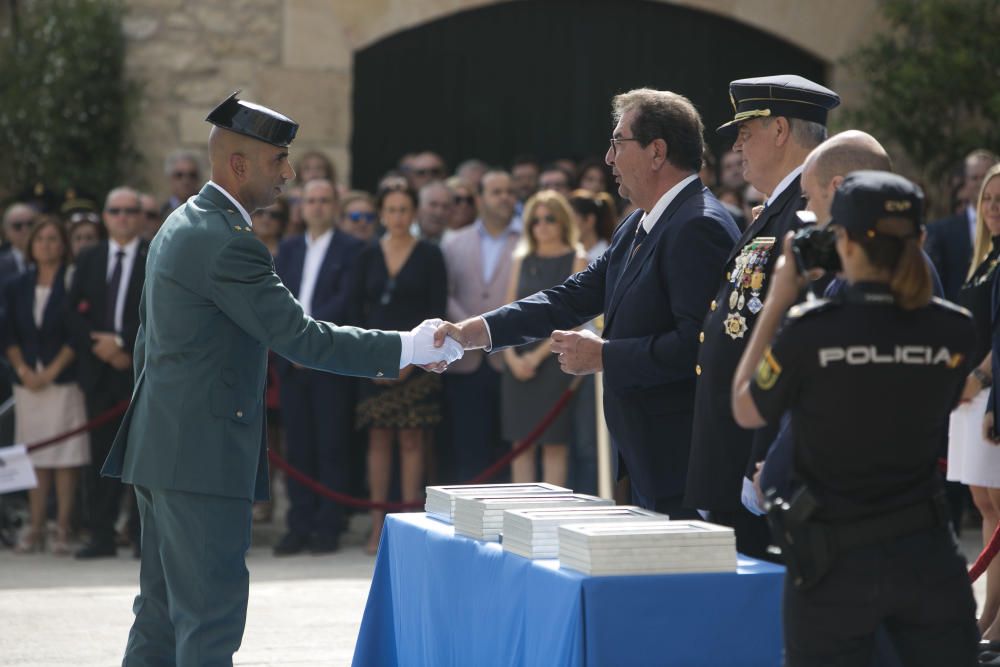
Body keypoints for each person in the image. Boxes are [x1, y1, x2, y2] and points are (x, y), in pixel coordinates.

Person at [100, 92, 461, 664]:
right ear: (239, 164)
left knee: (163, 617)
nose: (289, 173)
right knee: (209, 620)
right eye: (279, 160)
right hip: (200, 456)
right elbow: (302, 337)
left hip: (165, 447)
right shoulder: (227, 243)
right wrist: (407, 346)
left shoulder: (180, 223)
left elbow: (150, 343)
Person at [437, 88, 739, 514]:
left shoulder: (697, 226)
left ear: (657, 151)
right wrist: (475, 332)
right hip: (646, 457)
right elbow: (571, 296)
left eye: (618, 142)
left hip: (680, 461)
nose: (608, 159)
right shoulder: (639, 221)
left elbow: (696, 346)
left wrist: (605, 356)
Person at [732, 171, 979, 666]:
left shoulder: (811, 329)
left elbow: (745, 406)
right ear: (921, 239)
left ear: (841, 240)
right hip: (928, 557)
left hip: (832, 565)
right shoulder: (954, 329)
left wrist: (780, 297)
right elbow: (961, 390)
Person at [686, 74, 840, 558]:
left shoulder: (805, 217)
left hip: (758, 465)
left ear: (779, 131)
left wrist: (766, 459)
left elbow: (798, 347)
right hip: (731, 453)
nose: (736, 146)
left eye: (745, 132)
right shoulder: (775, 212)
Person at [272, 178, 363, 556]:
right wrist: (292, 342)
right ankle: (299, 524)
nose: (318, 207)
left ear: (336, 205)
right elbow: (277, 298)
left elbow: (346, 302)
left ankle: (328, 526)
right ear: (301, 206)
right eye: (311, 200)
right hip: (291, 363)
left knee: (331, 445)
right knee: (299, 448)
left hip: (328, 359)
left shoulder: (353, 249)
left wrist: (306, 339)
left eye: (325, 200)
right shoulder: (289, 248)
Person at [355, 183, 448, 553]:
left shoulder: (429, 255)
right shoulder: (366, 255)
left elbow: (436, 310)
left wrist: (412, 359)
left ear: (414, 214)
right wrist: (371, 359)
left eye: (404, 209)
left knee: (412, 440)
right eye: (390, 210)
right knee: (378, 439)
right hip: (374, 359)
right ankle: (377, 526)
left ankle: (410, 525)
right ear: (382, 214)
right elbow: (356, 311)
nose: (397, 217)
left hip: (417, 361)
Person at [68, 186, 147, 559]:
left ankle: (140, 534)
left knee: (143, 458)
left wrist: (123, 345)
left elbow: (160, 313)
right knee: (100, 458)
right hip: (99, 373)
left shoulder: (154, 257)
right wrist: (99, 346)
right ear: (105, 216)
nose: (123, 217)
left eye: (130, 210)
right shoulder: (89, 258)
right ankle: (101, 534)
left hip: (137, 371)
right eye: (115, 210)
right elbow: (70, 313)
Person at [7, 217, 88, 555]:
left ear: (63, 245)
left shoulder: (72, 282)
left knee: (65, 458)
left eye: (54, 239)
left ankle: (62, 528)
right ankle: (36, 526)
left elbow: (76, 333)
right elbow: (8, 330)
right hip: (27, 383)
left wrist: (51, 371)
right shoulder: (17, 284)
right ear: (31, 245)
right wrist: (24, 370)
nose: (46, 245)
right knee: (35, 457)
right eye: (41, 239)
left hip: (63, 381)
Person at [440, 169, 523, 482]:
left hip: (510, 359)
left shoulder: (527, 239)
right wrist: (469, 332)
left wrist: (497, 331)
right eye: (496, 192)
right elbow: (444, 295)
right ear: (480, 199)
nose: (505, 198)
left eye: (509, 192)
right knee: (467, 447)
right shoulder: (453, 242)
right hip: (465, 360)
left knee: (506, 449)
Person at [501, 191, 587, 485]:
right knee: (520, 445)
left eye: (549, 218)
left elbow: (573, 319)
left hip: (554, 363)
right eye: (535, 220)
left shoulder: (577, 258)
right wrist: (511, 357)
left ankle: (549, 522)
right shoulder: (521, 259)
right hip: (516, 366)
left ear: (563, 221)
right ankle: (520, 521)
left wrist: (535, 358)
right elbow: (507, 311)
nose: (542, 225)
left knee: (553, 444)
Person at [950, 164, 1000, 642]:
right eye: (988, 199)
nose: (992, 208)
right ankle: (989, 613)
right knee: (985, 505)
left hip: (988, 391)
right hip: (972, 393)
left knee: (998, 510)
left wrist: (982, 378)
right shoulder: (984, 258)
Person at [926, 149, 1000, 301]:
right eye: (975, 178)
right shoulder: (940, 231)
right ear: (965, 181)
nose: (981, 183)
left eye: (985, 176)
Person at [160, 150, 201, 219]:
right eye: (179, 175)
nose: (186, 181)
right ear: (170, 178)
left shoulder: (207, 212)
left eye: (192, 175)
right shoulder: (159, 215)